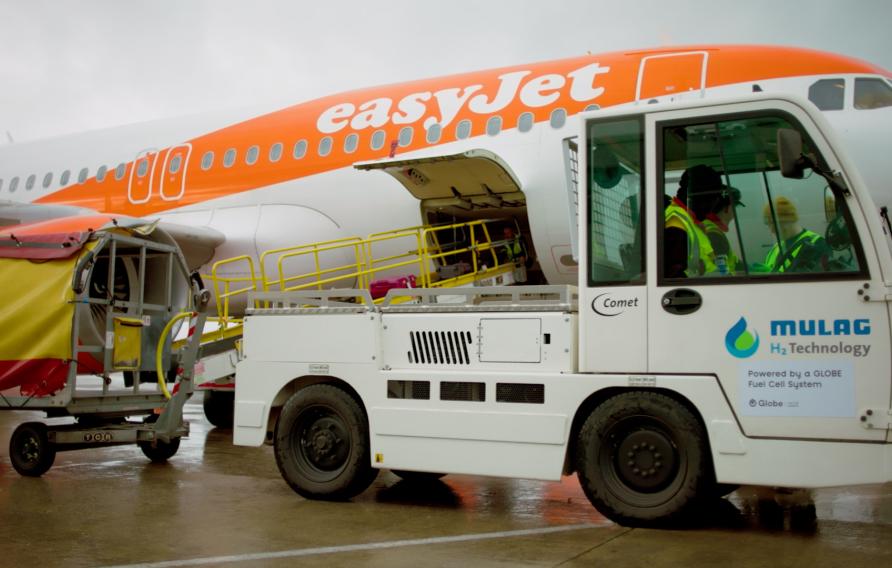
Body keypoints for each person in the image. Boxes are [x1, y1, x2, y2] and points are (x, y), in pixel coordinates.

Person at [664, 164, 723, 278]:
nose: (714, 204)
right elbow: (673, 277)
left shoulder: (689, 221)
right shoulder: (676, 224)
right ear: (702, 197)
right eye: (714, 197)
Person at [763, 197, 830, 273]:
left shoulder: (817, 244)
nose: (772, 230)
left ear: (789, 219)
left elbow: (816, 281)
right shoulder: (776, 248)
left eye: (775, 225)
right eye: (768, 225)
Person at [691, 183, 744, 275]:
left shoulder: (707, 227)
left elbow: (733, 261)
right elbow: (722, 273)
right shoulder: (714, 234)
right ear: (728, 208)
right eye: (734, 207)